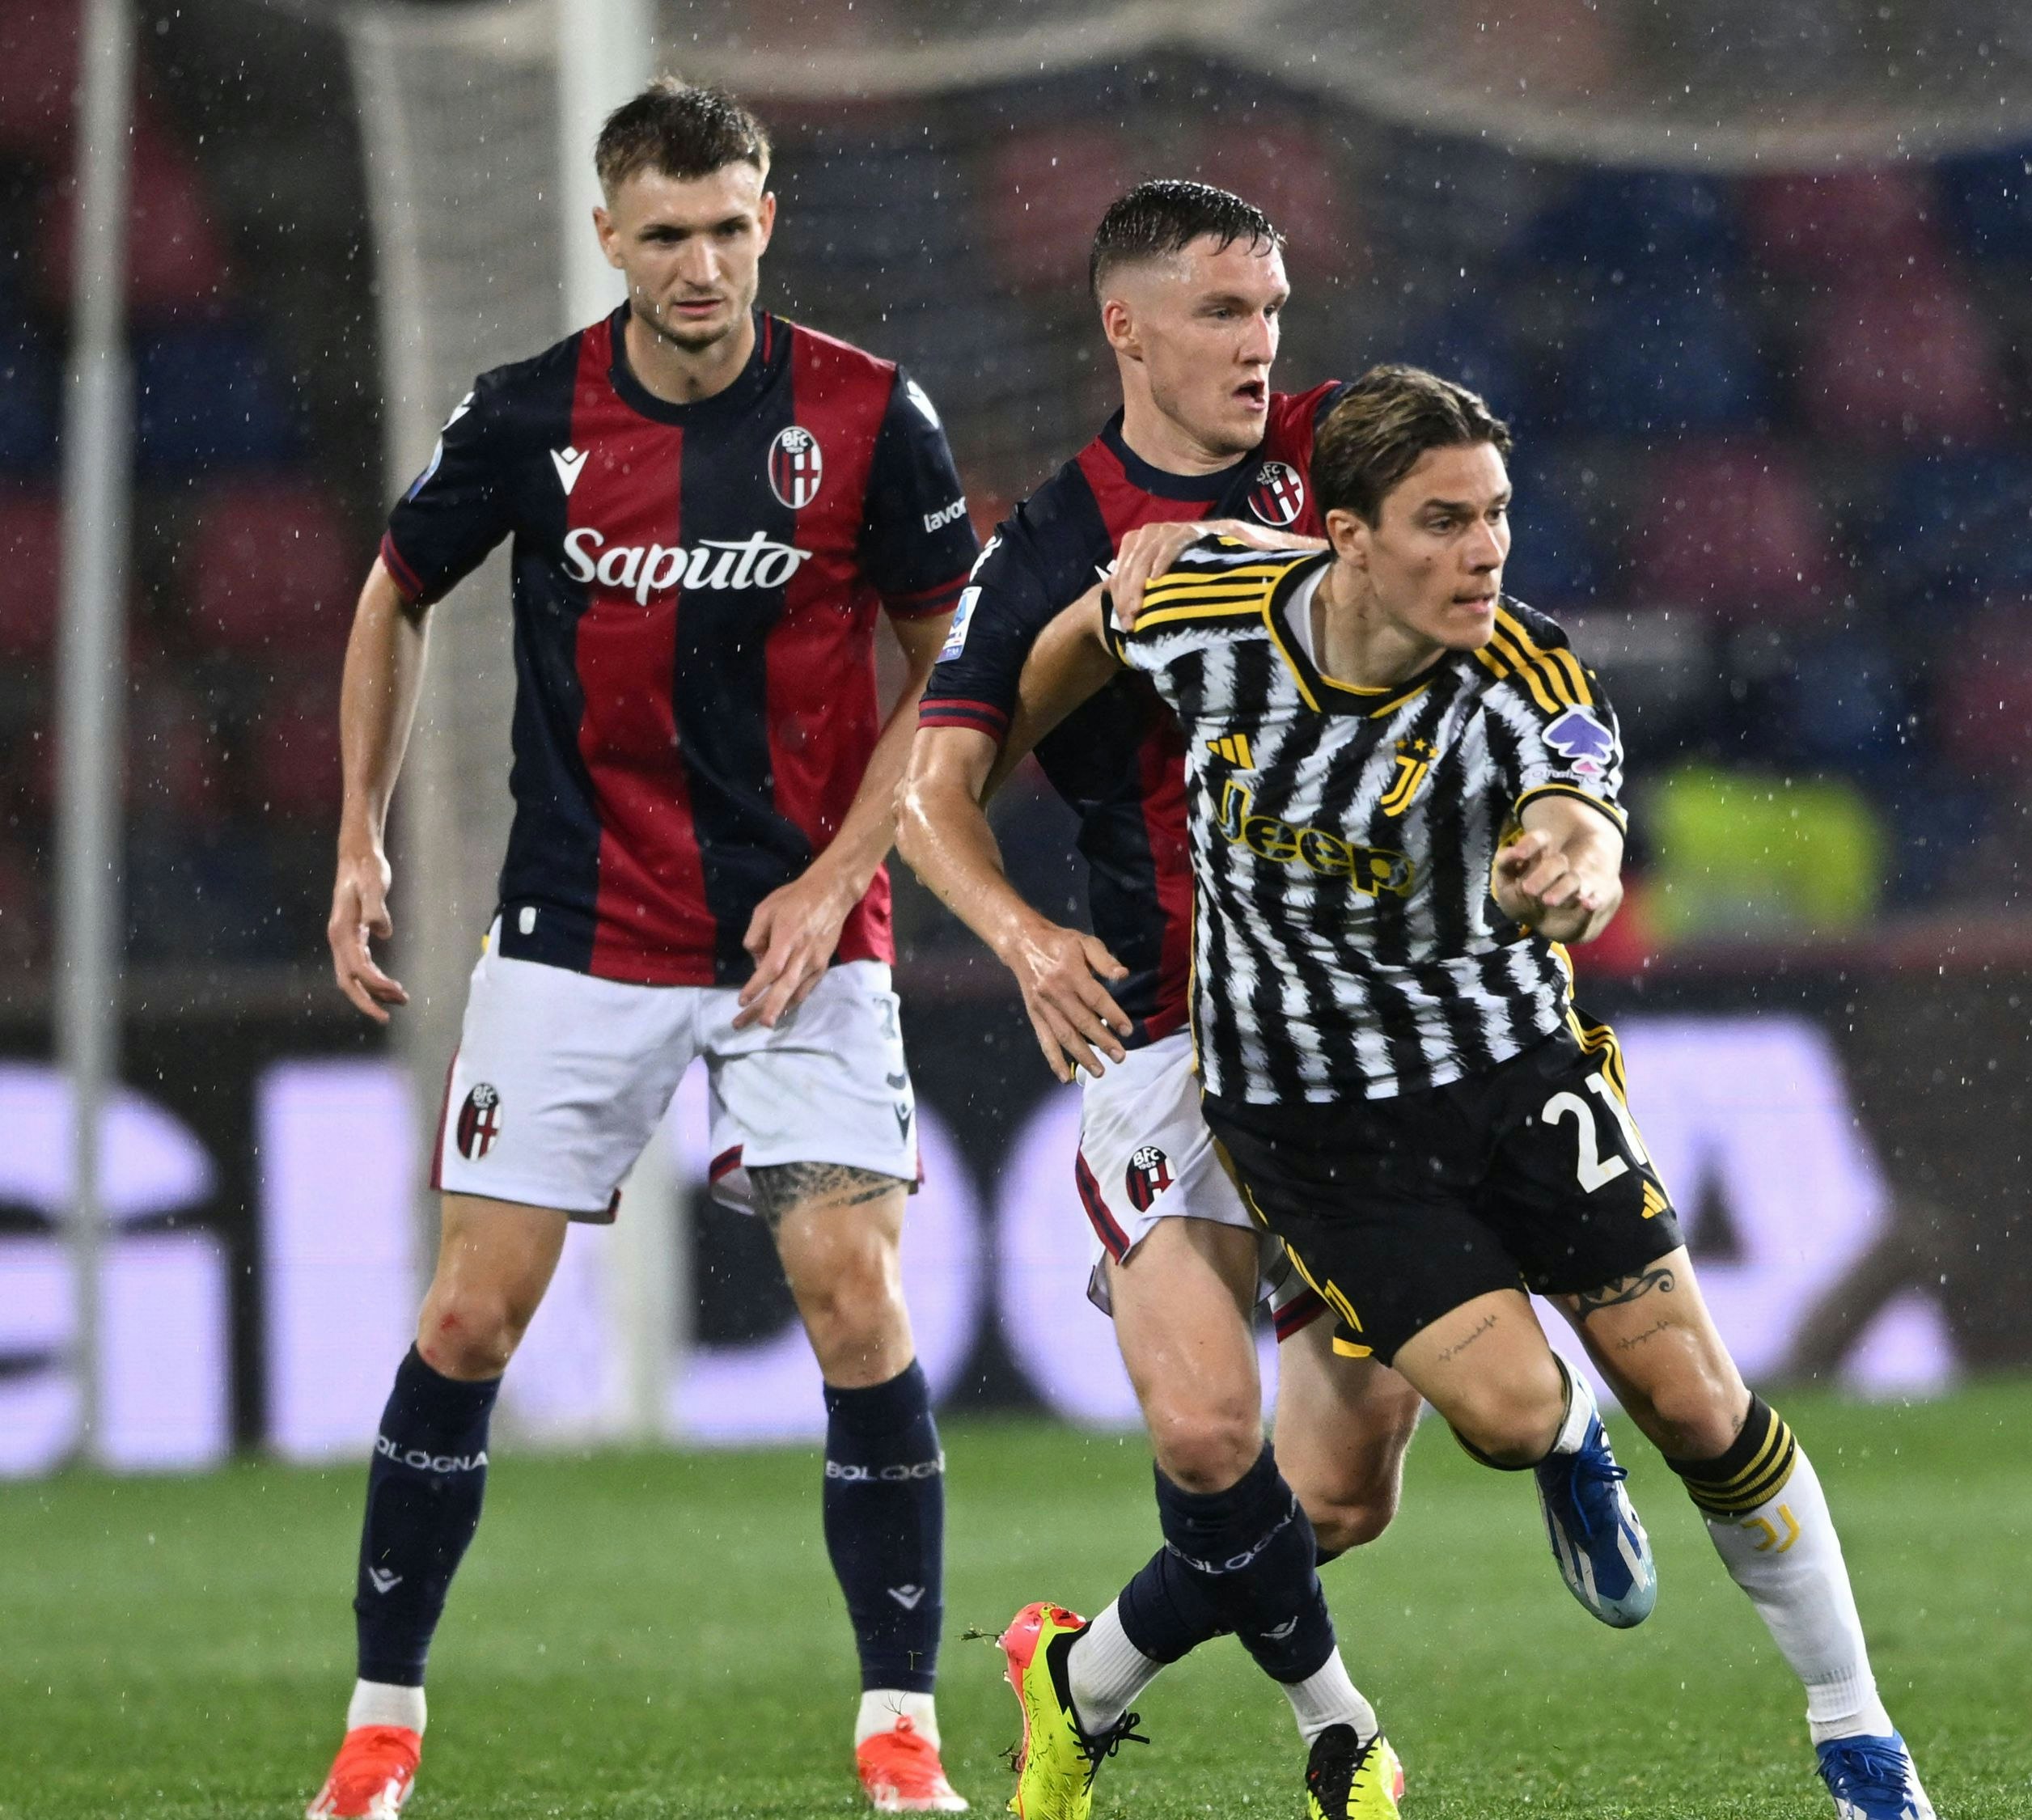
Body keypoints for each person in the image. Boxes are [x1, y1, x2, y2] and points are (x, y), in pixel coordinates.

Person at [989, 364, 1937, 1820]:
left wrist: (1572, 871)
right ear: (1346, 536)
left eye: (1496, 514)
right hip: (1315, 1124)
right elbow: (1075, 647)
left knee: (1698, 1400)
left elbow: (1581, 812)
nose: (1484, 549)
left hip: (1512, 1072)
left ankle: (1859, 1736)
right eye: (1443, 520)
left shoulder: (1524, 672)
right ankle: (1561, 1435)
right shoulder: (1209, 612)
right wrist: (993, 757)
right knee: (1496, 1419)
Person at [900, 179, 1643, 1820]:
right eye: (1224, 314)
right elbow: (932, 790)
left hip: (1362, 1032)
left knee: (1339, 1497)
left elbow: (1494, 605)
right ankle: (1344, 1732)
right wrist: (1022, 936)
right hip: (1168, 1026)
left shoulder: (1342, 455)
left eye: (1272, 312)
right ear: (1127, 329)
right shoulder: (1056, 535)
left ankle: (1078, 1677)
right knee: (1203, 1436)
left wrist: (1556, 805)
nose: (1261, 346)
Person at [313, 79, 978, 1817]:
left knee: (855, 1300)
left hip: (799, 944)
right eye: (665, 233)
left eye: (728, 227)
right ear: (608, 234)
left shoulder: (868, 414)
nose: (700, 264)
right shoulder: (528, 415)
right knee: (470, 1316)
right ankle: (379, 1726)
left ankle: (900, 1729)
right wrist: (360, 829)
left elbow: (954, 676)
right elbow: (396, 590)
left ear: (769, 224)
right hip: (581, 925)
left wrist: (838, 875)